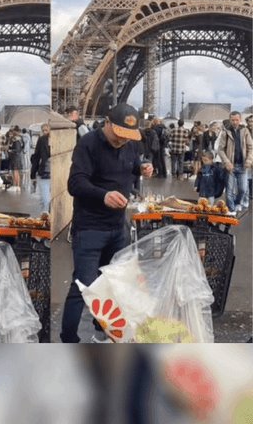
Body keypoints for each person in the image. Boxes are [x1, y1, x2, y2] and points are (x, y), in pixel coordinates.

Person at [60, 103, 152, 343]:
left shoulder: (130, 144)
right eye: (119, 134)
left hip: (117, 226)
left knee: (113, 283)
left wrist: (142, 169)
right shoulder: (88, 143)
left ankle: (103, 329)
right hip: (89, 228)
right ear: (108, 123)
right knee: (83, 286)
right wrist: (103, 195)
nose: (123, 141)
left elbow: (131, 167)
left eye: (128, 136)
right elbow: (75, 183)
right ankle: (68, 338)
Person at [217, 111, 253, 212]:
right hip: (231, 166)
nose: (235, 122)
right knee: (229, 191)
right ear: (230, 120)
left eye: (237, 120)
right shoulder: (226, 132)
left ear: (240, 120)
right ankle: (231, 210)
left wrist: (249, 161)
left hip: (243, 166)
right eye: (232, 120)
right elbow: (220, 149)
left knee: (243, 189)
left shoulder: (245, 131)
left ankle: (237, 203)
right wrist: (227, 162)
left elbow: (251, 147)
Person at [30, 123, 51, 210]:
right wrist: (33, 174)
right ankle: (45, 219)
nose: (45, 132)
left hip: (56, 174)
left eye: (46, 130)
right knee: (45, 200)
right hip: (44, 173)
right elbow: (36, 156)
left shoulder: (61, 139)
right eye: (43, 130)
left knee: (50, 201)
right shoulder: (42, 140)